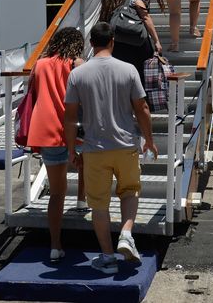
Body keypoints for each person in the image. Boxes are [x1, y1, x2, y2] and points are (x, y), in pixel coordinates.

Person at [63, 23, 158, 275]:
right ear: (112, 41)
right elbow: (142, 109)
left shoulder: (77, 75)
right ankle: (126, 233)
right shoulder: (128, 70)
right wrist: (149, 139)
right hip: (126, 144)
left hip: (94, 148)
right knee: (129, 191)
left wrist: (72, 148)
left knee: (99, 206)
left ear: (91, 43)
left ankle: (107, 257)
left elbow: (70, 117)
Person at [26, 27, 87, 263]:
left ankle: (55, 245)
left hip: (47, 131)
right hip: (77, 128)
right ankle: (83, 201)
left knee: (57, 193)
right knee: (85, 166)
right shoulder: (78, 64)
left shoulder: (39, 65)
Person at [100, 0, 162, 85]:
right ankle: (141, 98)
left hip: (117, 44)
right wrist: (156, 41)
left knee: (122, 75)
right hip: (138, 42)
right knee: (141, 74)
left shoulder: (107, 1)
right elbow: (146, 18)